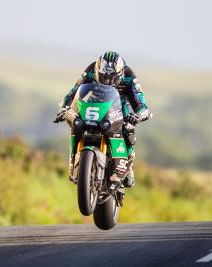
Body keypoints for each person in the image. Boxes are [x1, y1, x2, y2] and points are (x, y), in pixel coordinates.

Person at [55, 51, 151, 187]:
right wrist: (64, 108)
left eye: (111, 77)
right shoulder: (90, 71)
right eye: (103, 76)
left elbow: (140, 102)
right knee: (76, 123)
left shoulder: (129, 77)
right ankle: (74, 163)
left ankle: (128, 166)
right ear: (97, 70)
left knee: (127, 127)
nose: (107, 81)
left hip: (118, 106)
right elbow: (73, 92)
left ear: (120, 73)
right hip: (93, 104)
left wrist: (139, 114)